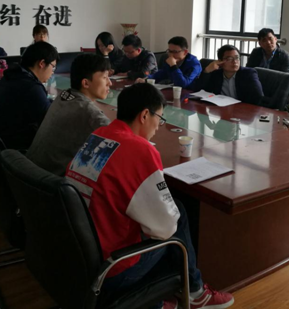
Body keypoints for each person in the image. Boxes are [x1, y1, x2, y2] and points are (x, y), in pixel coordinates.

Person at [66, 83, 234, 309]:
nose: (159, 126)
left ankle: (158, 300)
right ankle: (194, 293)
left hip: (78, 256)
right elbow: (165, 229)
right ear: (145, 115)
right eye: (159, 118)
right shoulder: (140, 149)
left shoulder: (98, 135)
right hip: (112, 269)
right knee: (177, 214)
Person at [27, 53, 112, 176]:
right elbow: (119, 140)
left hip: (29, 171)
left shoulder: (64, 96)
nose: (110, 83)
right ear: (86, 83)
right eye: (104, 77)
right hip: (51, 182)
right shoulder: (89, 113)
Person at [0, 42, 59, 150]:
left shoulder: (12, 75)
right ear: (41, 63)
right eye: (53, 67)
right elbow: (51, 121)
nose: (52, 72)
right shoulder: (31, 86)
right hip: (15, 148)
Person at [195, 45, 264, 105]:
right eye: (229, 59)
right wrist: (207, 71)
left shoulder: (248, 73)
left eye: (237, 58)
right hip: (221, 109)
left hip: (242, 110)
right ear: (220, 61)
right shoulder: (216, 73)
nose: (235, 62)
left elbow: (258, 96)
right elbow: (199, 90)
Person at [136, 36, 202, 88]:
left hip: (192, 95)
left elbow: (183, 84)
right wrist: (146, 80)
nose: (171, 55)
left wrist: (174, 66)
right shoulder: (171, 60)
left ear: (185, 52)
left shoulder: (194, 64)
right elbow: (161, 74)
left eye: (175, 52)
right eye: (169, 51)